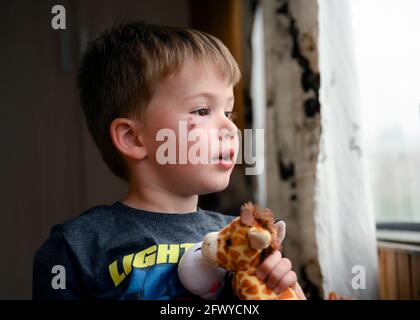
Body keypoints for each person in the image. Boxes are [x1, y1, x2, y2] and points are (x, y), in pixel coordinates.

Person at [33, 21, 306, 300]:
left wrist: (286, 291)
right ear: (133, 139)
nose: (231, 129)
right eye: (202, 110)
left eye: (229, 113)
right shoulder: (77, 247)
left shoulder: (240, 238)